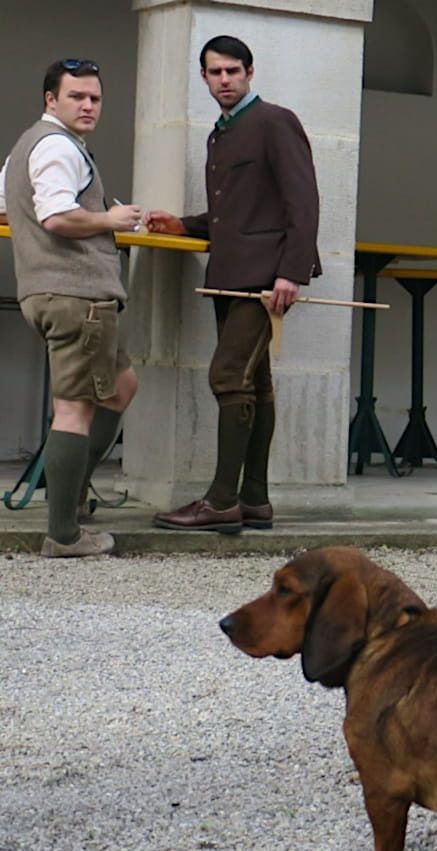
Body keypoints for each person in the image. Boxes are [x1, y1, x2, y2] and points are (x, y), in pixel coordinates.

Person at [144, 34, 321, 533]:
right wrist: (185, 224)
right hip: (229, 277)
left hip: (265, 280)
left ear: (249, 72)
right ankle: (255, 500)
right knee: (254, 384)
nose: (224, 79)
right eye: (215, 72)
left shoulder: (274, 120)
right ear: (203, 77)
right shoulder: (220, 132)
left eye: (232, 71)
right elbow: (235, 214)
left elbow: (303, 202)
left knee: (227, 377)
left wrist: (291, 271)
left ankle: (221, 502)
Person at [1, 59, 141, 557]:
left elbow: (9, 206)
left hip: (51, 292)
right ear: (50, 99)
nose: (87, 106)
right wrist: (112, 218)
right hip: (74, 296)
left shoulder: (27, 148)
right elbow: (57, 216)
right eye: (76, 96)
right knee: (75, 410)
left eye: (94, 98)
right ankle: (64, 533)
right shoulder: (57, 146)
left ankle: (72, 497)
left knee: (120, 387)